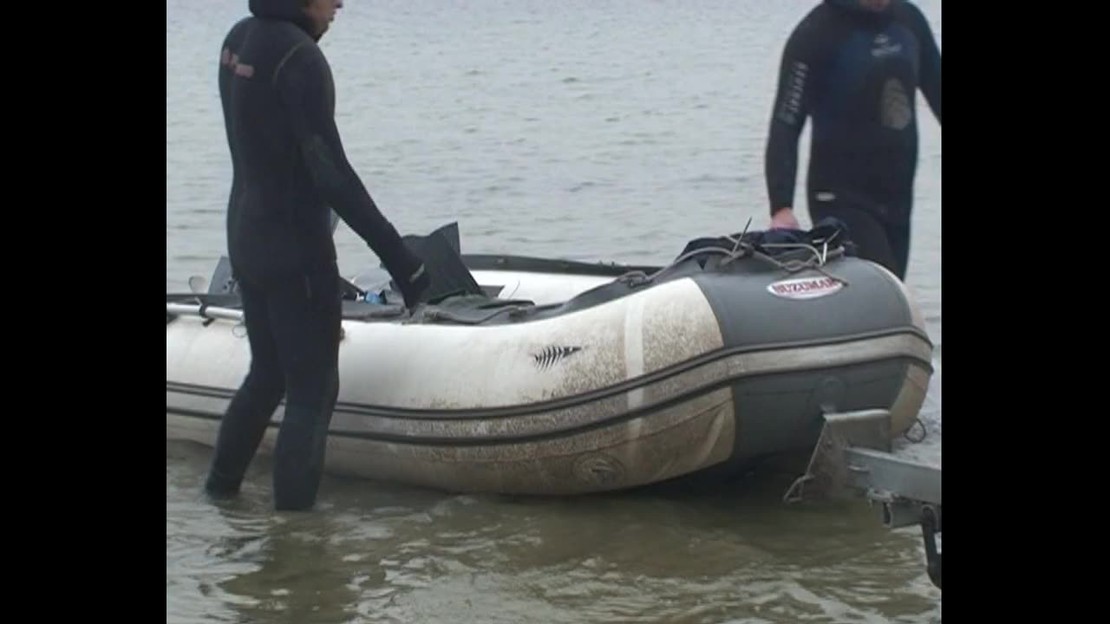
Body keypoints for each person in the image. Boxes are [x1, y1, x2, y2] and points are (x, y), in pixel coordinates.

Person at [204, 0, 431, 511]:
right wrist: (402, 261)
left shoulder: (238, 38)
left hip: (245, 234)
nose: (340, 4)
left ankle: (219, 497)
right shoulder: (300, 58)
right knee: (312, 392)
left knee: (267, 374)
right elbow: (332, 176)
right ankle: (294, 538)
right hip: (295, 252)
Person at [764, 0, 941, 280]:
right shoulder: (816, 34)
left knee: (892, 291)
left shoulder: (909, 22)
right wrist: (781, 206)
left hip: (897, 199)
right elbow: (786, 122)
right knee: (883, 293)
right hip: (840, 202)